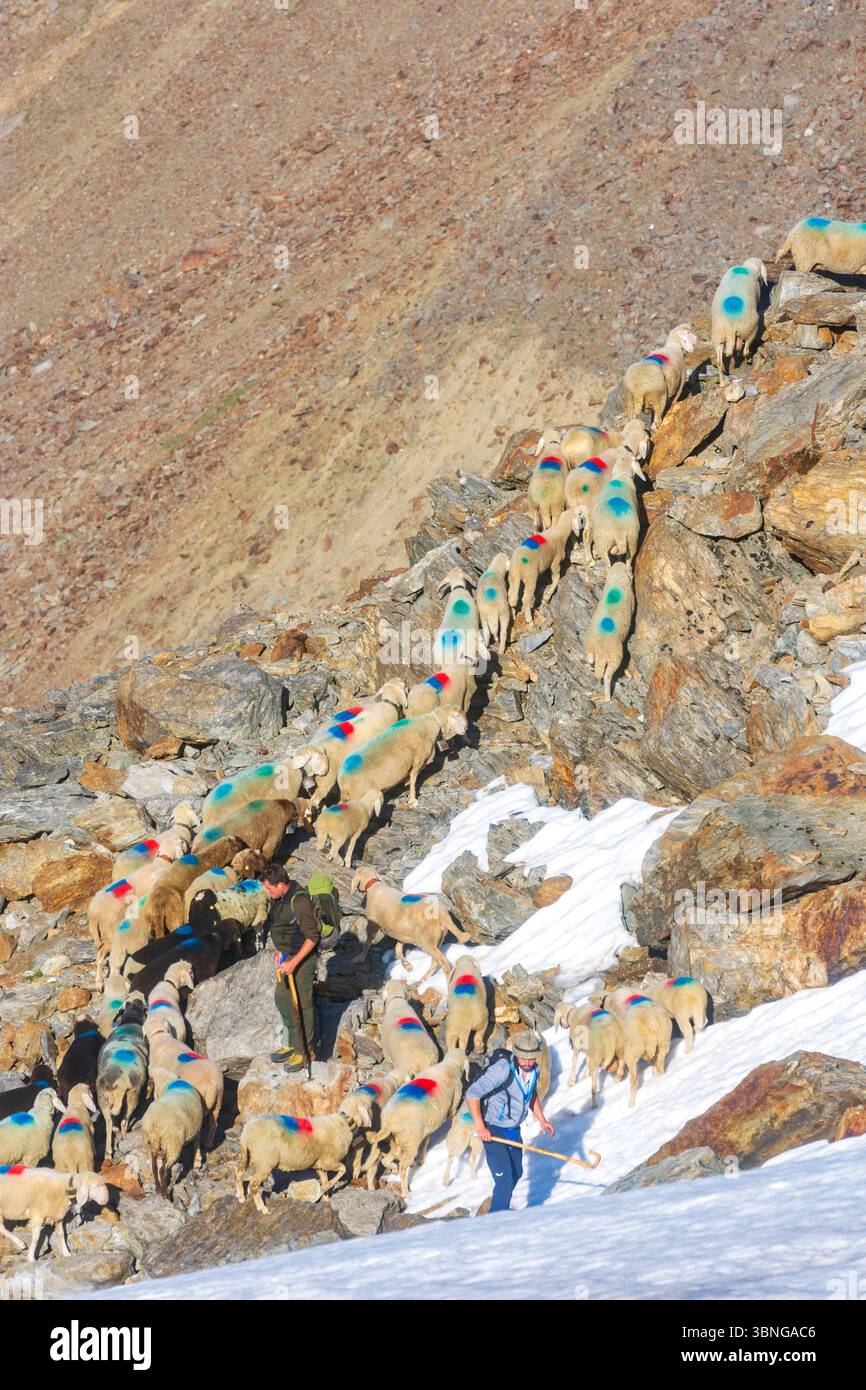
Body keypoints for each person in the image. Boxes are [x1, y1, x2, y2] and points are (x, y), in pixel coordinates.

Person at [465, 1030, 554, 1213]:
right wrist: (481, 1127)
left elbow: (531, 1095)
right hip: (493, 1128)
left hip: (513, 1128)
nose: (528, 1062)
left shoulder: (534, 1070)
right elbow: (472, 1093)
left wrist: (542, 1119)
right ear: (516, 1053)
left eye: (532, 1058)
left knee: (516, 1173)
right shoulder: (502, 1069)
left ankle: (498, 1205)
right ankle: (497, 1220)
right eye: (523, 1058)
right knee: (504, 1179)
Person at [263, 864, 320, 1071]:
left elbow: (312, 937)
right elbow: (284, 927)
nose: (267, 892)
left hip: (302, 960)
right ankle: (293, 1044)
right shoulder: (280, 898)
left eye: (269, 888)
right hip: (287, 957)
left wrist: (294, 962)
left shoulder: (300, 901)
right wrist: (281, 950)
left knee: (302, 1006)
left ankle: (305, 1050)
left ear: (280, 885)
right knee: (282, 1000)